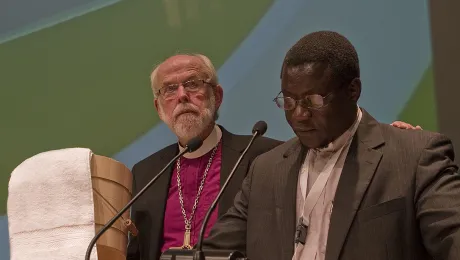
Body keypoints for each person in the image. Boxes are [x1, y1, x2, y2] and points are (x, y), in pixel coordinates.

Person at [126, 53, 421, 260]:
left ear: (217, 95)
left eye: (192, 84)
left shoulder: (265, 156)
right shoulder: (145, 172)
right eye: (169, 90)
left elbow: (333, 153)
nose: (181, 96)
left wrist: (390, 138)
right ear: (158, 107)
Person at [202, 31, 460, 260]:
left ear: (353, 91)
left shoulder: (412, 156)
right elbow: (214, 251)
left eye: (312, 101)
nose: (299, 115)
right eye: (289, 101)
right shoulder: (265, 171)